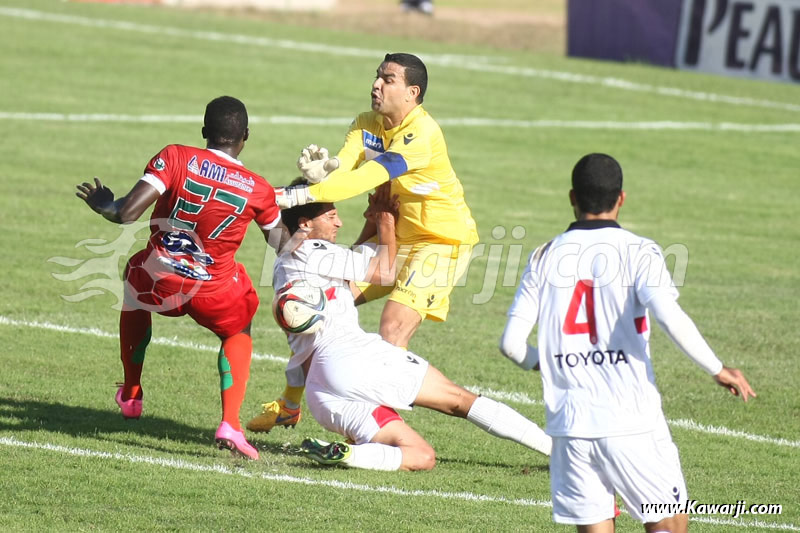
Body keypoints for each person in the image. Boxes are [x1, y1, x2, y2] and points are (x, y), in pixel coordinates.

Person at [499, 153, 756, 532]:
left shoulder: (544, 255)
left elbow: (511, 344)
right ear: (622, 198)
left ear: (572, 197)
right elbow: (670, 316)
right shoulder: (639, 251)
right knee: (667, 524)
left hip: (569, 426)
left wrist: (549, 362)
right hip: (631, 421)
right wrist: (717, 369)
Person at [248, 52, 479, 433]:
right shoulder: (365, 123)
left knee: (392, 327)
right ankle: (290, 403)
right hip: (396, 233)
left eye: (388, 79)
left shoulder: (422, 134)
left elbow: (366, 178)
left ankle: (385, 429)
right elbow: (345, 166)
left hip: (440, 241)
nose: (376, 84)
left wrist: (291, 196)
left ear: (412, 92)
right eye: (377, 76)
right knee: (317, 301)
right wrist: (324, 172)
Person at [271, 188, 550, 470]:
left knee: (421, 455)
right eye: (331, 216)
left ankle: (347, 454)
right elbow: (384, 272)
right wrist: (385, 221)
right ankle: (559, 452)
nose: (339, 222)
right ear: (305, 224)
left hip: (321, 390)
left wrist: (375, 222)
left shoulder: (285, 264)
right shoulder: (314, 250)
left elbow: (353, 274)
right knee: (459, 400)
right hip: (350, 358)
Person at [76, 96, 288, 461]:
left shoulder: (176, 156)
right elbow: (282, 243)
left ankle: (131, 391)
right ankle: (230, 423)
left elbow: (126, 213)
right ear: (245, 136)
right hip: (214, 291)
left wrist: (104, 204)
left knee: (134, 281)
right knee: (238, 330)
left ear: (204, 131)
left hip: (161, 279)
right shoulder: (257, 187)